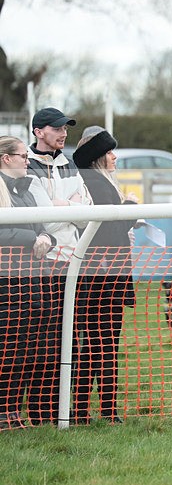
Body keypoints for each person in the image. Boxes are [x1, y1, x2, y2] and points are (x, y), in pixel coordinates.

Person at [25, 107, 93, 425]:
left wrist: (62, 206)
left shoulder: (69, 165)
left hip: (71, 262)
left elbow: (87, 211)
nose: (63, 134)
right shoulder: (26, 164)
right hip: (44, 264)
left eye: (65, 128)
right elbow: (46, 219)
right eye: (56, 128)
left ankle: (62, 410)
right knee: (45, 341)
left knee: (71, 340)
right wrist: (70, 205)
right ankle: (40, 412)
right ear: (39, 132)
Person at [71, 127, 138, 424]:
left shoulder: (99, 181)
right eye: (110, 152)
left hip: (105, 275)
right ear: (98, 156)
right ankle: (96, 410)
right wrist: (131, 207)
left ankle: (93, 410)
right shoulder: (97, 183)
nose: (115, 157)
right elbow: (112, 227)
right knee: (101, 347)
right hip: (102, 278)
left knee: (100, 346)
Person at [0, 136, 55, 430]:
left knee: (25, 348)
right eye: (23, 156)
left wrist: (46, 237)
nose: (27, 160)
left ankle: (12, 411)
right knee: (7, 347)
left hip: (31, 280)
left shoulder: (26, 191)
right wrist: (33, 238)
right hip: (7, 284)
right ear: (6, 158)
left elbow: (43, 229)